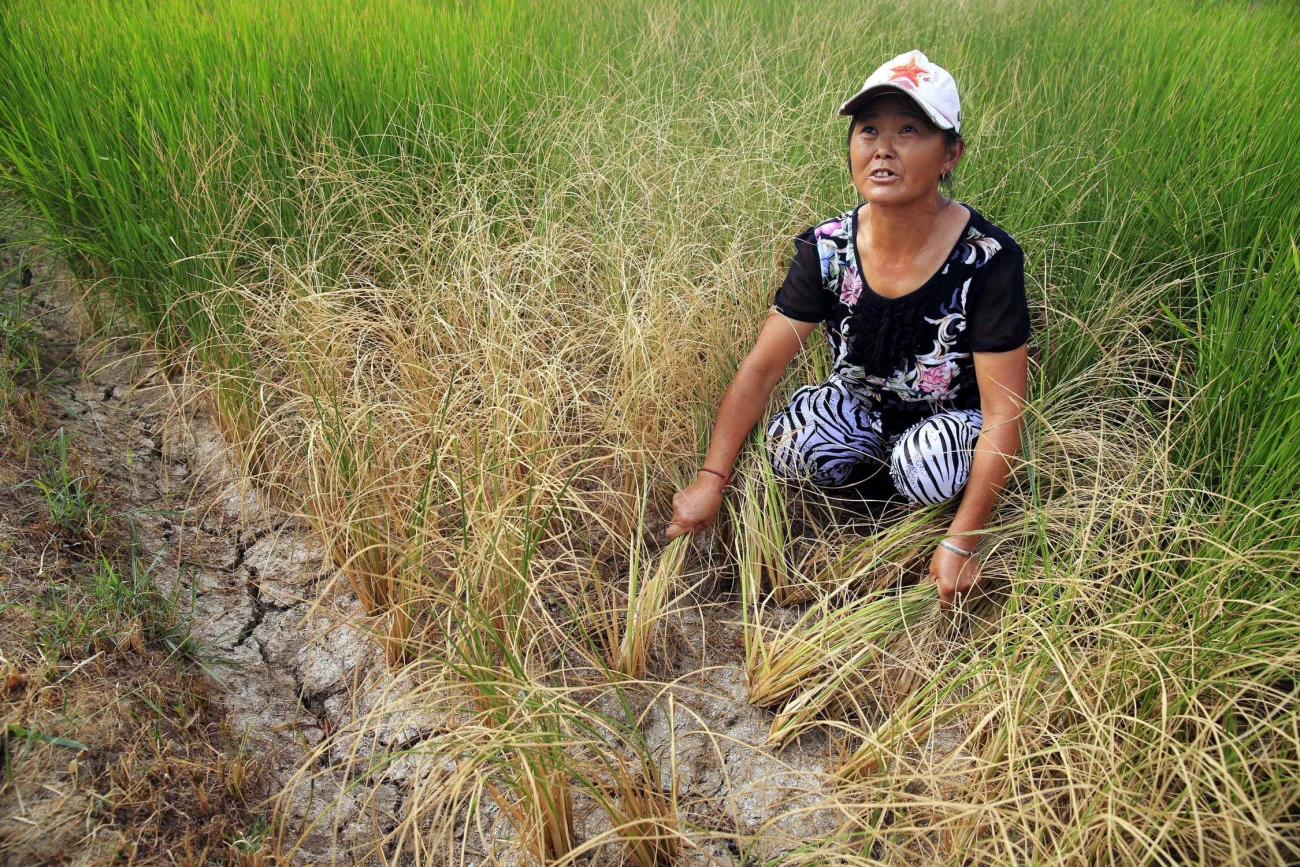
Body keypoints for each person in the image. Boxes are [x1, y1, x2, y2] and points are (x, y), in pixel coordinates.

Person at [664, 50, 1030, 608]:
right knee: (791, 445)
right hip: (858, 405)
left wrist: (966, 536)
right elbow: (762, 369)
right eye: (868, 130)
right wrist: (712, 477)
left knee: (926, 464)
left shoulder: (988, 258)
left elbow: (1004, 409)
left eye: (909, 130)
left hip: (948, 423)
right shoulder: (828, 248)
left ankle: (926, 521)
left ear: (950, 152)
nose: (882, 148)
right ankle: (869, 498)